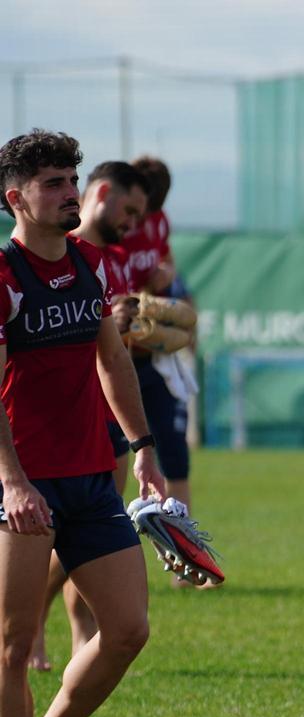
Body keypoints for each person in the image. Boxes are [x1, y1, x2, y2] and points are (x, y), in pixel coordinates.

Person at [0, 129, 166, 717]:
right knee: (12, 648)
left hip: (93, 477)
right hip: (23, 488)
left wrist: (143, 446)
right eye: (54, 183)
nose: (71, 193)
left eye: (73, 179)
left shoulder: (93, 263)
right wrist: (11, 481)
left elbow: (113, 360)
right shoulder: (5, 278)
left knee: (127, 631)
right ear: (16, 199)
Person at [28, 161, 149, 672]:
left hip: (104, 426)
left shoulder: (102, 261)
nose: (134, 222)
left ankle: (82, 635)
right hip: (40, 448)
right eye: (130, 209)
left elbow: (109, 353)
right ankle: (31, 624)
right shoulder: (29, 265)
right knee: (52, 546)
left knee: (89, 547)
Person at [121, 156, 192, 509]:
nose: (141, 219)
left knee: (176, 455)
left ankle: (187, 553)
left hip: (154, 358)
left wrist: (165, 273)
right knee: (112, 469)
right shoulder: (110, 228)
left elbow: (166, 261)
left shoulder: (157, 222)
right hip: (116, 361)